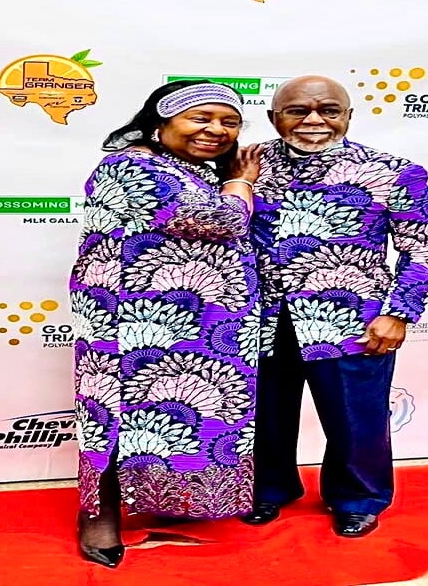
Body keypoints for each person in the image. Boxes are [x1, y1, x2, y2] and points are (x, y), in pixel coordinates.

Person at [70, 80, 262, 567]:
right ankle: (98, 516)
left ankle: (165, 498)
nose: (216, 130)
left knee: (176, 417)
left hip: (195, 319)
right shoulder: (131, 164)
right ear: (160, 123)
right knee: (112, 415)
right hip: (132, 319)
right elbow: (223, 222)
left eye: (229, 122)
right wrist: (241, 182)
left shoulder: (191, 171)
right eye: (200, 118)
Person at [242, 75, 428, 537]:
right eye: (297, 110)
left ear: (348, 115)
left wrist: (399, 313)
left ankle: (357, 499)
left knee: (356, 417)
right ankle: (266, 489)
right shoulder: (243, 165)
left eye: (329, 110)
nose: (313, 119)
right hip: (257, 316)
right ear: (274, 117)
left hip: (352, 318)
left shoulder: (393, 171)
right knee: (262, 415)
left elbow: (420, 247)